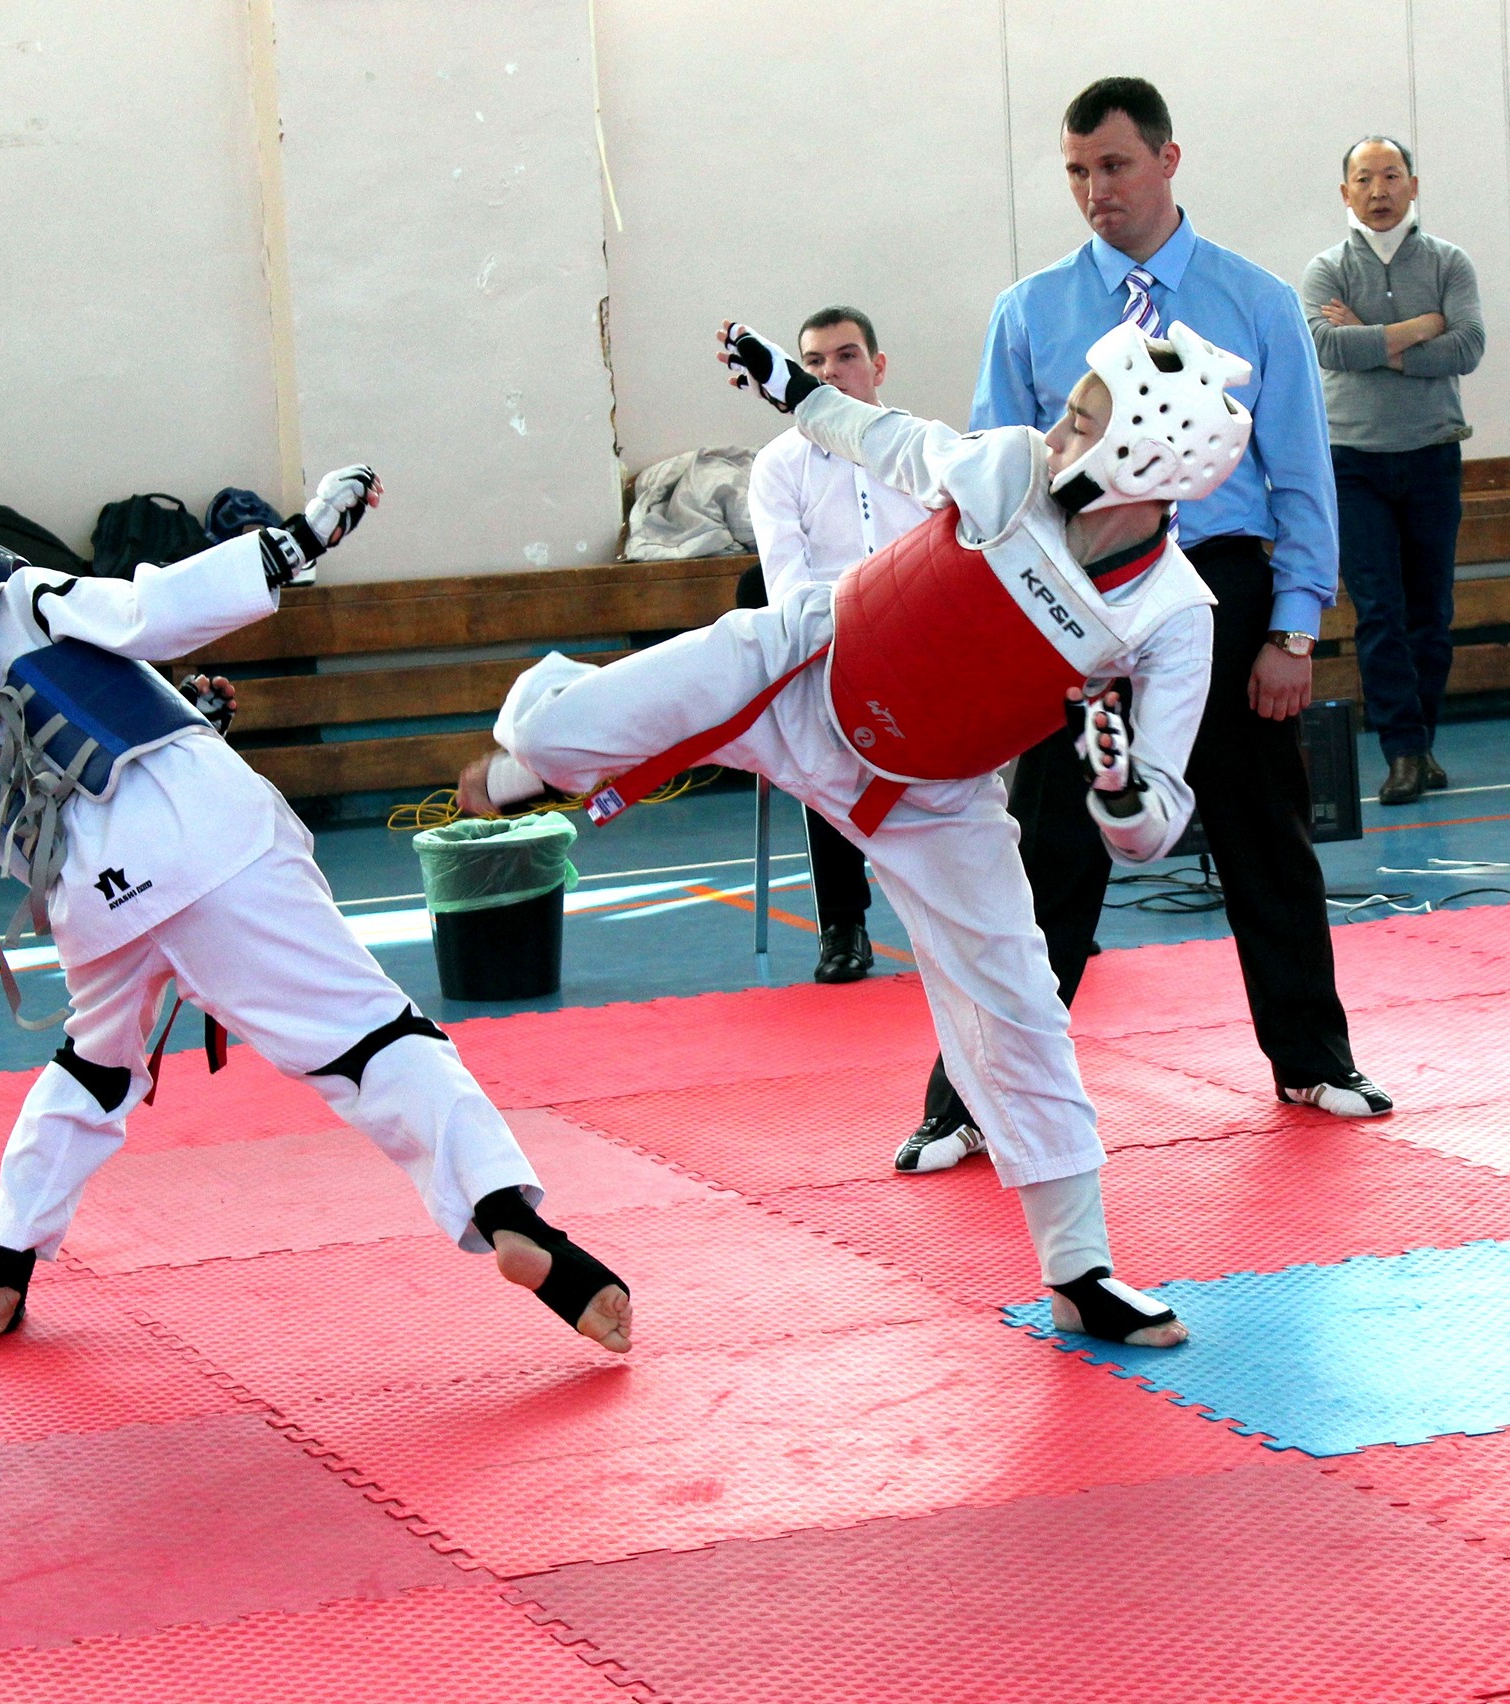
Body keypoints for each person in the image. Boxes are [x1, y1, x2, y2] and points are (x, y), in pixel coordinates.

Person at [456, 313, 1260, 1350]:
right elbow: (886, 440)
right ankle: (535, 764)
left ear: (1142, 456)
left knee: (1016, 1004)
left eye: (1082, 422)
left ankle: (1081, 1272)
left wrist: (1112, 786)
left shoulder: (1169, 615)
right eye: (1069, 412)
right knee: (588, 718)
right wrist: (794, 390)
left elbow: (1152, 826)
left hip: (937, 802)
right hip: (806, 674)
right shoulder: (1008, 468)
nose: (1056, 432)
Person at [0, 477, 632, 1356]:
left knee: (92, 1071)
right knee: (373, 1038)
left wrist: (187, 722)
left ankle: (1, 1268)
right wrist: (294, 541)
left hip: (99, 909)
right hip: (215, 847)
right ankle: (511, 1217)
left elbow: (50, 824)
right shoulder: (28, 598)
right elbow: (150, 611)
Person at [914, 75, 1392, 1172]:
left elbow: (1302, 480)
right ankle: (970, 1097)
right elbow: (992, 481)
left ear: (1168, 161)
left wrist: (1291, 631)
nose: (1095, 192)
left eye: (1115, 167)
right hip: (1070, 599)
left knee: (1262, 835)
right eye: (1077, 172)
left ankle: (1313, 1056)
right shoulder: (1029, 310)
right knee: (1044, 856)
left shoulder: (1255, 301)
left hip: (1215, 584)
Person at [747, 306, 930, 983]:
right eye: (815, 362)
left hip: (923, 637)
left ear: (878, 366)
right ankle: (843, 924)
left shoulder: (921, 446)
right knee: (819, 736)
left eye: (846, 357)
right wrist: (850, 644)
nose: (831, 373)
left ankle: (1008, 910)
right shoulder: (777, 466)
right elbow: (788, 587)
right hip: (830, 643)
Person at [1302, 135, 1485, 805]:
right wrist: (1417, 328)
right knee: (1378, 610)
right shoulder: (1325, 270)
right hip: (1352, 462)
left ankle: (1425, 741)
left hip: (1433, 453)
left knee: (1429, 612)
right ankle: (1402, 752)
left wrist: (1376, 341)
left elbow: (1466, 345)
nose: (1378, 191)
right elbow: (1326, 345)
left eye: (1390, 176)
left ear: (1413, 184)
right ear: (1345, 192)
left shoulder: (1448, 263)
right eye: (1363, 179)